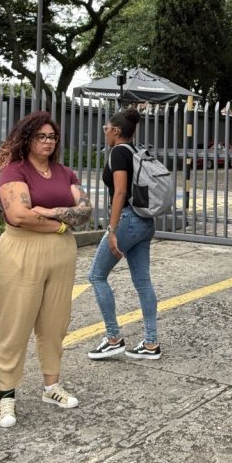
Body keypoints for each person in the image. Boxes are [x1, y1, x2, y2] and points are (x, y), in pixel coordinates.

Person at [0, 111, 92, 429]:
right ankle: (6, 395)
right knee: (15, 323)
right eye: (41, 136)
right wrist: (62, 225)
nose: (48, 142)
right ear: (27, 138)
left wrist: (49, 212)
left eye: (52, 137)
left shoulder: (65, 173)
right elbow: (19, 215)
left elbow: (86, 211)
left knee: (54, 324)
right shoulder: (14, 171)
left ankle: (52, 387)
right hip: (22, 251)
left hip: (61, 254)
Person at [86, 107, 161, 361]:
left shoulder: (118, 152)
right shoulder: (135, 150)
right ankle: (151, 343)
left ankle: (113, 337)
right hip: (145, 222)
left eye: (106, 128)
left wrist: (112, 229)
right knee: (143, 282)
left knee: (96, 276)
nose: (105, 132)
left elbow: (119, 192)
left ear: (116, 131)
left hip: (128, 220)